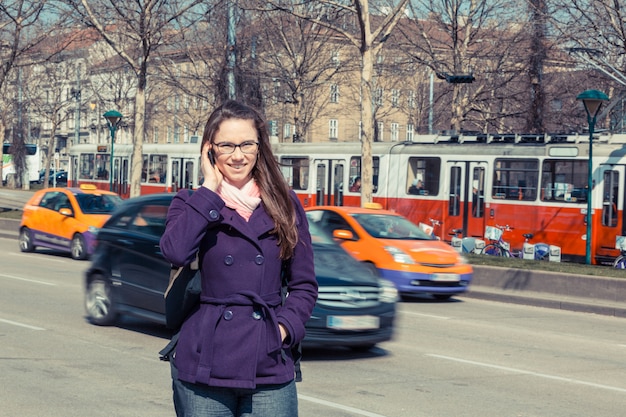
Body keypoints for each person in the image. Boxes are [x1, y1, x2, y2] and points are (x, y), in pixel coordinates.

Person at [159, 100, 318, 417]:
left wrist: (284, 328)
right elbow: (174, 251)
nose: (237, 155)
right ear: (210, 150)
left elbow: (304, 285)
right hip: (205, 360)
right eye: (227, 145)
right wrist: (209, 189)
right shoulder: (192, 201)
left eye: (247, 144)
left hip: (269, 359)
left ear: (260, 147)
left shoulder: (284, 203)